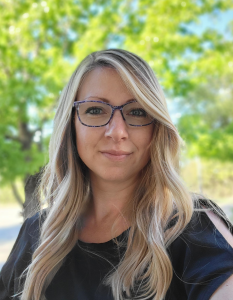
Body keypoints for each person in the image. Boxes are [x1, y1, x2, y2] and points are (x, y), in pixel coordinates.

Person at [0, 49, 233, 300]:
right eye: (95, 110)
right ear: (71, 125)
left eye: (137, 111)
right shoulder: (36, 233)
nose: (117, 131)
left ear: (157, 129)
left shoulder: (192, 226)